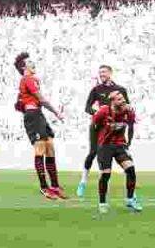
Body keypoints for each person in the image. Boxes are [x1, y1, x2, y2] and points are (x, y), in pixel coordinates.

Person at [14, 53, 66, 200]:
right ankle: (44, 187)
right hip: (33, 116)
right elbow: (41, 100)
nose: (33, 63)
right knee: (41, 148)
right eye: (30, 62)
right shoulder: (27, 79)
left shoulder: (33, 80)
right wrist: (57, 113)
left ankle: (55, 185)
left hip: (38, 115)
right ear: (24, 67)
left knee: (50, 146)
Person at [77, 65, 129, 198]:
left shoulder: (120, 90)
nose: (102, 74)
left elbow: (127, 107)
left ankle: (131, 192)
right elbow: (87, 107)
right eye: (100, 72)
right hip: (98, 126)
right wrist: (98, 113)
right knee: (93, 152)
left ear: (110, 73)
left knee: (123, 154)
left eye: (104, 72)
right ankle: (83, 181)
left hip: (115, 128)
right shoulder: (96, 89)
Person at [92, 91, 140, 214]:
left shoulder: (128, 111)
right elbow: (94, 125)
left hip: (120, 145)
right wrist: (97, 145)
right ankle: (102, 203)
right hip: (105, 146)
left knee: (131, 170)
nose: (123, 101)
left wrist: (128, 143)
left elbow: (131, 127)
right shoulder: (104, 111)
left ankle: (130, 200)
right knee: (105, 175)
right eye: (119, 99)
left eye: (123, 98)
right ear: (112, 101)